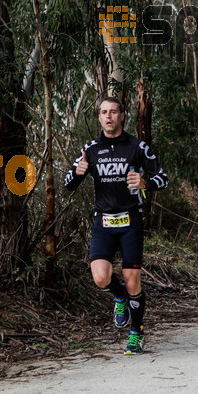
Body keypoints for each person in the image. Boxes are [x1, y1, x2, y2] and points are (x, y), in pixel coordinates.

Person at [64, 97, 168, 354]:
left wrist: (145, 183)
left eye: (113, 112)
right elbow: (68, 184)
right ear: (98, 117)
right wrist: (77, 173)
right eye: (103, 112)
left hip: (130, 221)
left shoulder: (137, 146)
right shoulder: (91, 148)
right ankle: (119, 296)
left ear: (122, 115)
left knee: (134, 282)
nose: (108, 116)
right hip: (103, 222)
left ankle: (137, 333)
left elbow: (162, 178)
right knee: (100, 277)